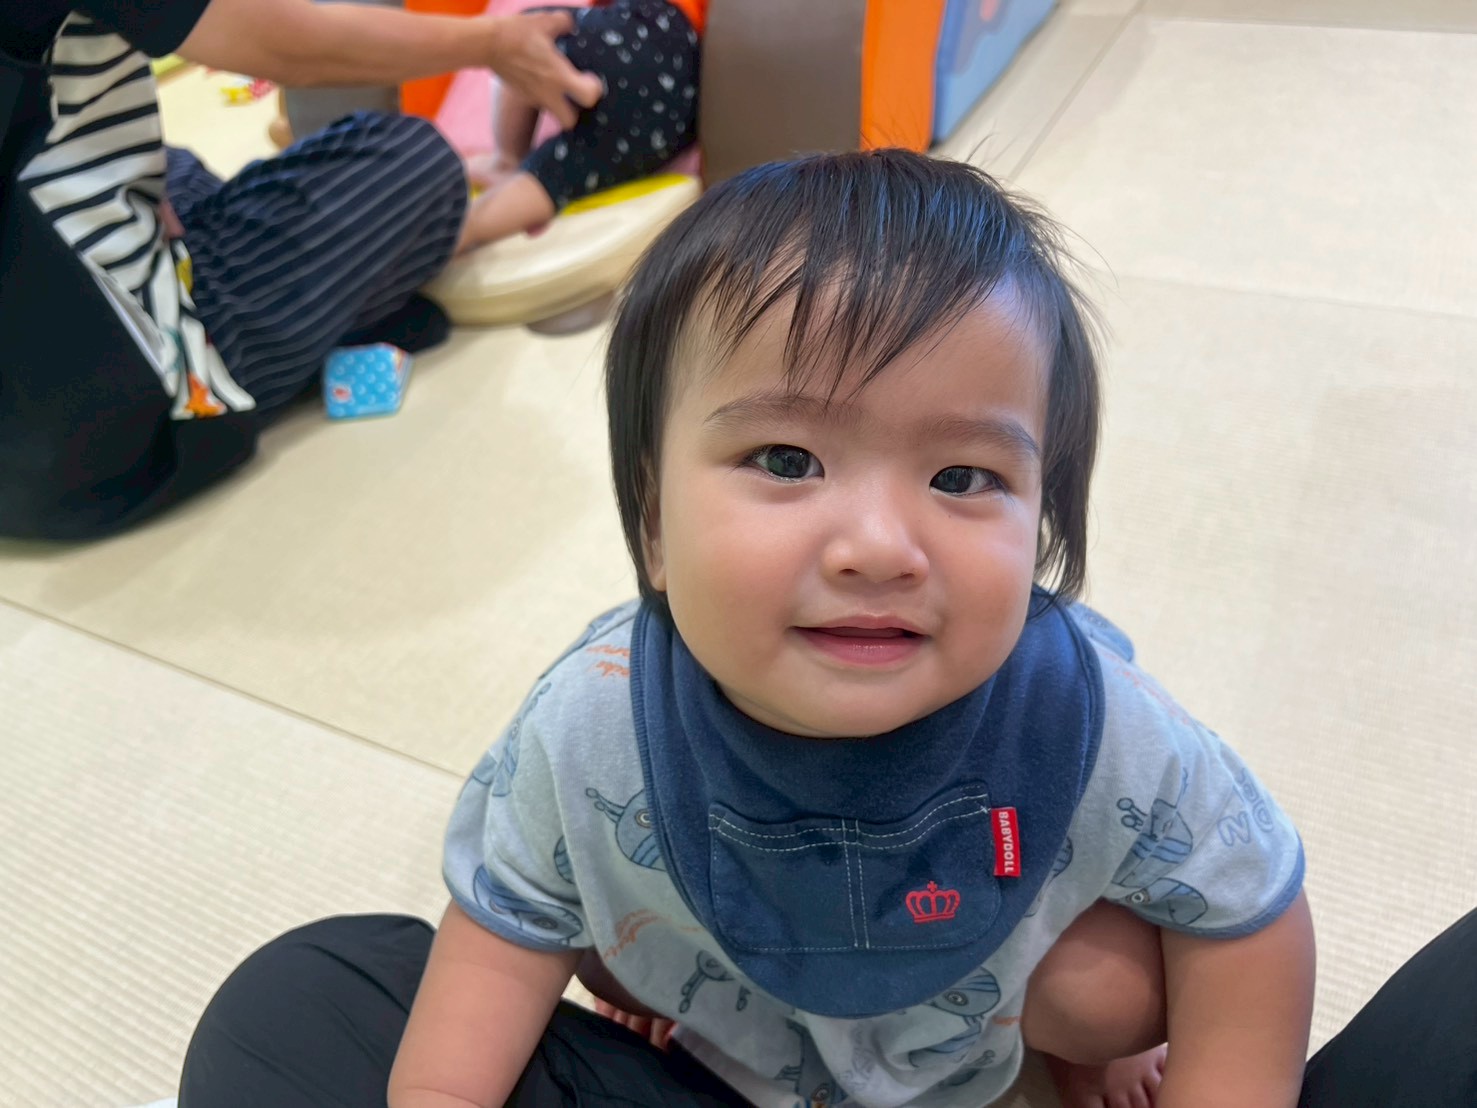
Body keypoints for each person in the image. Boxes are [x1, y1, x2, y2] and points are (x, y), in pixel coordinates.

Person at [179, 149, 1328, 1107]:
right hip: (725, 1053)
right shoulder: (597, 718)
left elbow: (1249, 907)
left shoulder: (1086, 721)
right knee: (315, 1004)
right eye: (785, 459)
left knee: (1113, 986)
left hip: (981, 1045)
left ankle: (1066, 1058)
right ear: (653, 524)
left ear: (1043, 527)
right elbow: (506, 926)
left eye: (963, 477)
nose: (878, 545)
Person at [0, 0, 601, 538]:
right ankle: (280, 324)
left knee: (173, 166)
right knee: (417, 161)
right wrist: (494, 43)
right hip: (98, 418)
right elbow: (280, 42)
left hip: (30, 329)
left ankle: (313, 285)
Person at [460, 0, 706, 251]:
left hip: (654, 26)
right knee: (557, 175)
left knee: (522, 36)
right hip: (682, 105)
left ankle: (506, 160)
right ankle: (467, 229)